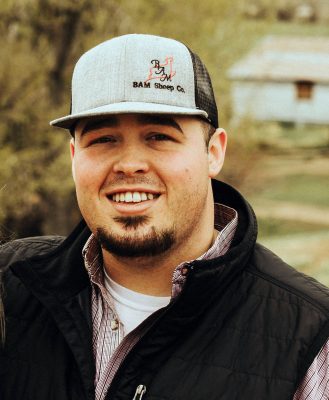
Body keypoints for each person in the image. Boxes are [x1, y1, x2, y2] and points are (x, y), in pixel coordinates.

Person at [0, 34, 329, 400]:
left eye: (158, 136)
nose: (129, 164)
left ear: (213, 152)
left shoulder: (309, 334)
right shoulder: (9, 286)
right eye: (103, 139)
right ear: (74, 156)